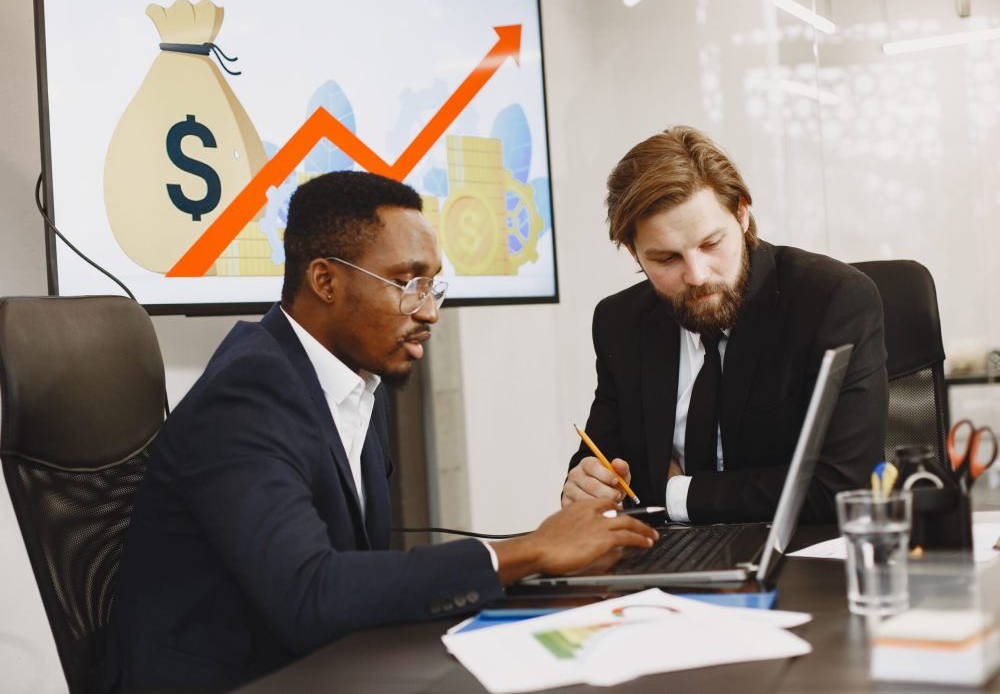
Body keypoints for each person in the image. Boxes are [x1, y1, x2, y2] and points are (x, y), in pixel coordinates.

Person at [101, 171, 658, 693]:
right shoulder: (249, 392)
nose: (429, 312)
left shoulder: (357, 378)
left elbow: (354, 575)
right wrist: (529, 551)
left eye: (433, 287)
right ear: (325, 280)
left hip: (320, 666)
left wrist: (542, 561)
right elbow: (310, 594)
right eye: (406, 283)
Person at [561, 126, 888, 525]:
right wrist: (584, 485)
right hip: (665, 565)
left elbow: (844, 487)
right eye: (666, 259)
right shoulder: (621, 323)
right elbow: (605, 459)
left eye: (711, 244)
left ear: (742, 213)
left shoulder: (831, 301)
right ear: (634, 252)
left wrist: (676, 493)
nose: (697, 275)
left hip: (800, 562)